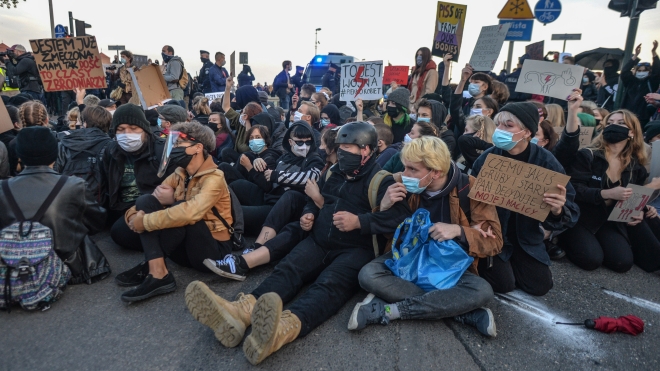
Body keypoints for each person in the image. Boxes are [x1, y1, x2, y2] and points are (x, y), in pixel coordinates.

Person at [185, 122, 409, 365]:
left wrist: (360, 221)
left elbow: (400, 219)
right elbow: (315, 199)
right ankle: (240, 313)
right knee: (289, 269)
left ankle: (281, 331)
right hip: (319, 240)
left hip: (355, 251)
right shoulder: (333, 172)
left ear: (365, 150)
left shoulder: (382, 181)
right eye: (340, 148)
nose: (341, 152)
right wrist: (309, 213)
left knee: (327, 287)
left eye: (347, 148)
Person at [352, 136, 502, 336]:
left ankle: (392, 309)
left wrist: (458, 230)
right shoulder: (400, 183)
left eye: (412, 169)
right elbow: (390, 235)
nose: (403, 174)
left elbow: (495, 243)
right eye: (405, 167)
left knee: (482, 290)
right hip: (407, 258)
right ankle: (459, 311)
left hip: (447, 265)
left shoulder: (471, 188)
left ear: (436, 172)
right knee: (368, 275)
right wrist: (384, 208)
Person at [115, 122, 234, 302]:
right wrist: (133, 216)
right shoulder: (180, 173)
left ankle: (152, 266)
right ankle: (157, 270)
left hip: (212, 251)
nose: (174, 148)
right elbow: (151, 199)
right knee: (145, 200)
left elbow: (190, 213)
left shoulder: (215, 177)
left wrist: (144, 222)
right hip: (184, 250)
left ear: (198, 148)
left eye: (179, 144)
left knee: (185, 214)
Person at [471, 102, 580, 296]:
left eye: (508, 125)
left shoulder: (546, 162)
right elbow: (471, 197)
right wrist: (477, 224)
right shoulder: (487, 158)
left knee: (539, 287)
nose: (500, 130)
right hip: (494, 235)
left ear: (527, 132)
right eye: (498, 125)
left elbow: (569, 209)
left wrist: (558, 210)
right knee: (503, 285)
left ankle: (514, 264)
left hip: (526, 236)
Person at [0, 126, 109, 287]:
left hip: (14, 262)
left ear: (20, 156)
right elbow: (97, 222)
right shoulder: (74, 185)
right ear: (54, 153)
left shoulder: (3, 188)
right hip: (67, 261)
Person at [560, 110, 660, 273]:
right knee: (591, 259)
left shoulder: (636, 168)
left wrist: (640, 209)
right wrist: (606, 194)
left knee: (622, 262)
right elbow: (573, 189)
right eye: (610, 122)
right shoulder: (588, 155)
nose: (614, 126)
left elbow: (630, 198)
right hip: (580, 218)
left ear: (632, 132)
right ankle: (564, 238)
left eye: (621, 123)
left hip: (608, 223)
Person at [105, 104, 177, 243]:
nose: (127, 134)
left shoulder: (162, 150)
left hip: (155, 207)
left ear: (144, 129)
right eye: (121, 129)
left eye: (133, 128)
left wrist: (172, 196)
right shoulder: (111, 151)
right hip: (123, 208)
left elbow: (180, 184)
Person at [55, 105, 113, 203]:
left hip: (67, 201)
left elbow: (56, 172)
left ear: (85, 123)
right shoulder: (110, 145)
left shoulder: (64, 143)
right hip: (101, 204)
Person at [217, 123, 281, 188]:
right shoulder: (256, 153)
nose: (254, 140)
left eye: (258, 137)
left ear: (265, 140)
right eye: (251, 138)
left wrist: (249, 167)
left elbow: (267, 186)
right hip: (248, 178)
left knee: (224, 167)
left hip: (256, 190)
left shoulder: (270, 157)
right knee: (226, 153)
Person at [620, 42, 660, 126]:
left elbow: (657, 70)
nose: (641, 72)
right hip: (627, 115)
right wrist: (635, 56)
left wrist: (654, 53)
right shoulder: (630, 81)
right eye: (639, 70)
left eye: (644, 70)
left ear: (649, 72)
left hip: (643, 117)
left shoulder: (651, 82)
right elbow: (624, 71)